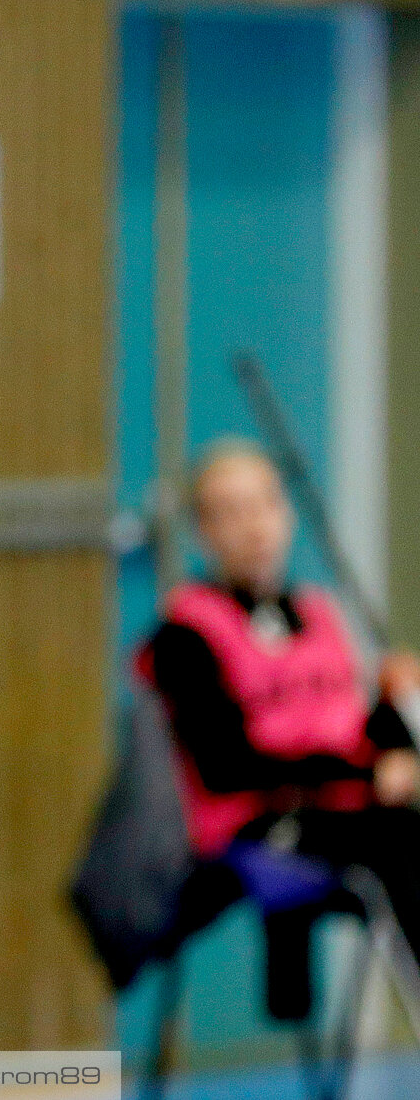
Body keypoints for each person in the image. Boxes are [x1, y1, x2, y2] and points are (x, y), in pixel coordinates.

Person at [138, 438, 420, 1022]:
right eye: (230, 511)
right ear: (202, 530)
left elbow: (355, 727)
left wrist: (394, 717)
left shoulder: (320, 613)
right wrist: (369, 773)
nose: (253, 525)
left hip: (344, 813)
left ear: (287, 513)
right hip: (254, 831)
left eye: (264, 503)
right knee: (401, 849)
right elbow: (227, 765)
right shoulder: (184, 633)